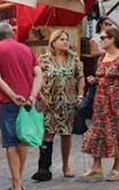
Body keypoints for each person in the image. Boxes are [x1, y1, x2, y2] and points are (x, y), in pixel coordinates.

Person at [0, 22, 43, 190]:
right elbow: (39, 74)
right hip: (27, 102)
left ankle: (16, 185)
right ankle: (18, 180)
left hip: (9, 102)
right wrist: (32, 96)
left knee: (11, 142)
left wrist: (12, 95)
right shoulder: (26, 50)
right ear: (13, 34)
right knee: (22, 140)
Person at [81, 27, 119, 181]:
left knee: (117, 130)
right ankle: (96, 167)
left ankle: (117, 168)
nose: (101, 40)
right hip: (101, 100)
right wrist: (95, 80)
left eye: (104, 37)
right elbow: (104, 76)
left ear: (112, 39)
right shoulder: (102, 57)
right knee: (98, 130)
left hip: (117, 99)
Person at [32, 30, 85, 182]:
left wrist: (80, 95)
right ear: (53, 42)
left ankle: (66, 165)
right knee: (48, 133)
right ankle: (44, 167)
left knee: (66, 134)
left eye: (66, 39)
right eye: (61, 39)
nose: (65, 42)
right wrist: (40, 96)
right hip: (49, 103)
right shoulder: (44, 59)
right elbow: (36, 78)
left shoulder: (74, 59)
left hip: (68, 102)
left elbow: (80, 78)